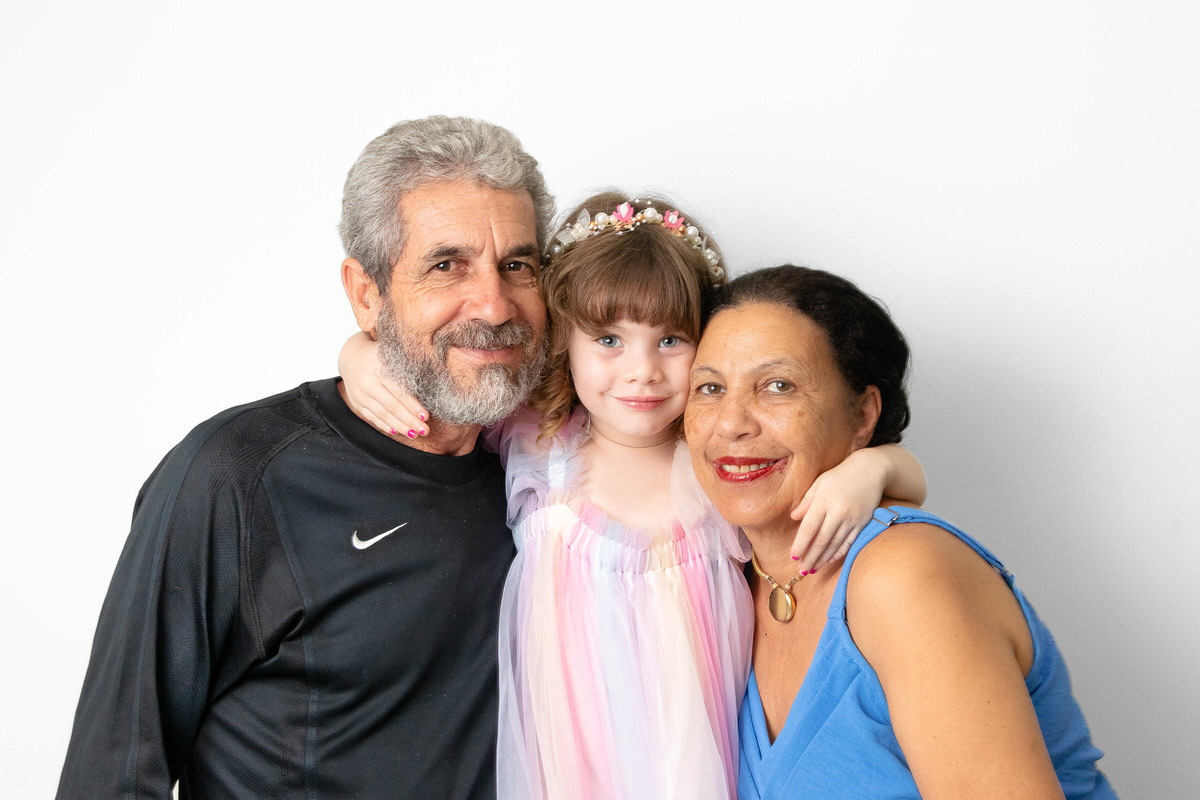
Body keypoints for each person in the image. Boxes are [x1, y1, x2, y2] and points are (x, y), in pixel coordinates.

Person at [339, 194, 928, 798]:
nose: (642, 370)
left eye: (671, 340)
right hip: (570, 768)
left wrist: (875, 466)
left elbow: (912, 485)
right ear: (562, 338)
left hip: (693, 761)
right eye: (609, 340)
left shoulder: (720, 465)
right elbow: (432, 384)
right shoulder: (534, 439)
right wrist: (357, 355)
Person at [56, 116, 553, 800]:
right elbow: (111, 774)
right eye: (447, 266)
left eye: (518, 265)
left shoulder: (546, 468)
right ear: (366, 295)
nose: (495, 306)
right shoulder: (236, 475)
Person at [685, 264, 1117, 799]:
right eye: (709, 388)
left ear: (863, 414)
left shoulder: (902, 575)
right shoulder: (722, 580)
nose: (731, 423)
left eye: (778, 386)